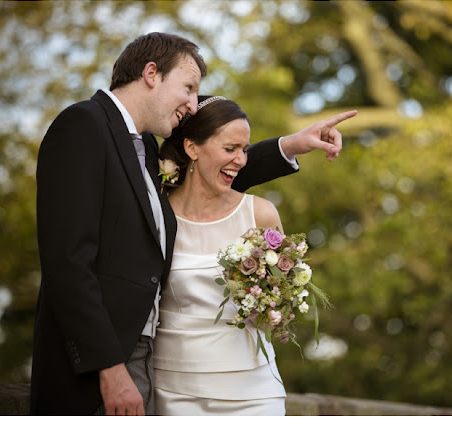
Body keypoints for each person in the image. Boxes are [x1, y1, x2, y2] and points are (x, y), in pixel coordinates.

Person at [31, 32, 356, 416]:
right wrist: (110, 368)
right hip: (102, 363)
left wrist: (291, 146)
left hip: (148, 360)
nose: (191, 104)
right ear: (151, 73)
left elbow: (205, 184)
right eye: (188, 88)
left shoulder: (145, 147)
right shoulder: (83, 125)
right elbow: (67, 262)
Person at [152, 95, 344, 415]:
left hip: (253, 393)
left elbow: (285, 296)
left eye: (244, 150)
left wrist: (270, 308)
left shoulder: (260, 215)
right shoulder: (155, 214)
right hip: (172, 389)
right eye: (230, 149)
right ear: (192, 148)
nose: (241, 160)